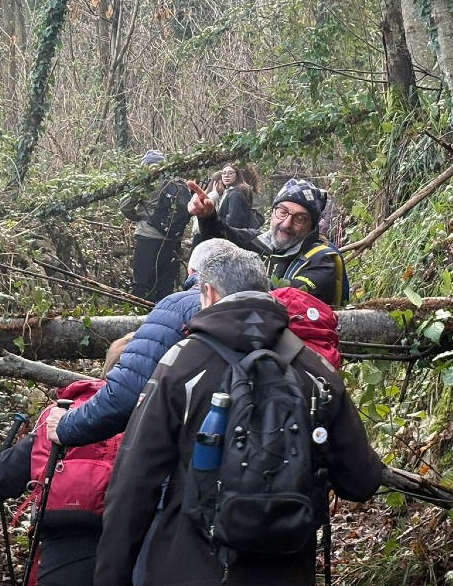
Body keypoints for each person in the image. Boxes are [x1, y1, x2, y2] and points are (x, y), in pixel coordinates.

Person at [93, 241, 383, 586]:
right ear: (267, 292)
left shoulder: (180, 364)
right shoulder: (314, 368)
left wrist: (111, 576)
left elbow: (133, 485)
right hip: (287, 570)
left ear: (209, 293)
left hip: (188, 566)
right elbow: (362, 481)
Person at [0, 333, 134, 586]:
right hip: (137, 546)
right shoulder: (161, 415)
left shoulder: (64, 413)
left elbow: (5, 473)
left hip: (63, 546)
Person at [44, 238, 229, 448]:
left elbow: (126, 395)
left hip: (186, 448)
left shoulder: (176, 306)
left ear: (191, 271)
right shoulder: (260, 309)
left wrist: (66, 426)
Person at [187, 177, 349, 306]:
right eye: (282, 212)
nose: (287, 224)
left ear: (312, 227)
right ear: (272, 212)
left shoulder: (322, 260)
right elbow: (223, 239)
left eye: (300, 218)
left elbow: (291, 295)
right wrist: (207, 217)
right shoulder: (259, 241)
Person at [120, 150, 192, 302]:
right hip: (172, 237)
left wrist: (136, 217)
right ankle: (163, 309)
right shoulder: (177, 182)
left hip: (147, 235)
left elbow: (125, 205)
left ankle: (138, 309)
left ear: (145, 165)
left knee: (141, 279)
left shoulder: (145, 182)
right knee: (165, 281)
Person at [214, 164, 257, 229]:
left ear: (237, 175)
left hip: (232, 232)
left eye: (230, 173)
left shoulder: (235, 193)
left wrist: (222, 230)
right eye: (224, 173)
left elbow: (233, 219)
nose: (226, 175)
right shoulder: (229, 191)